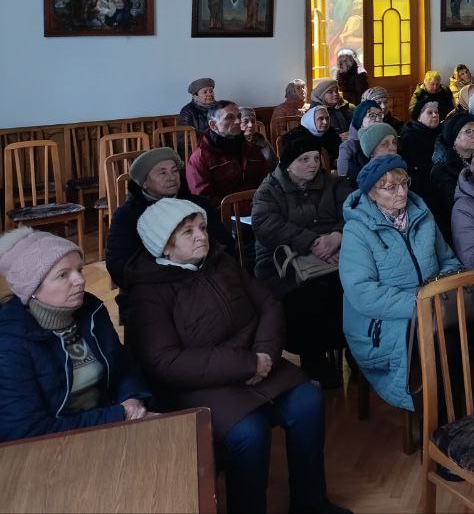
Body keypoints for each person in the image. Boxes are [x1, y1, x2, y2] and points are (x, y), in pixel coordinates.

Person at [122, 199, 346, 514]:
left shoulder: (220, 261)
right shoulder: (148, 292)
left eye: (202, 227)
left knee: (308, 400)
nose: (202, 236)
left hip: (259, 361)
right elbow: (165, 362)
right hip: (201, 385)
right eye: (188, 232)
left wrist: (264, 353)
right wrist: (247, 364)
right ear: (165, 245)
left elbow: (268, 304)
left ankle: (310, 503)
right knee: (249, 433)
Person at [0, 228, 153, 442]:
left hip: (111, 421)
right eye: (63, 275)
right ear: (31, 289)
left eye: (79, 269)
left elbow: (123, 366)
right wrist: (118, 415)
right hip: (58, 444)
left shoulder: (91, 310)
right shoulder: (9, 341)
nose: (80, 280)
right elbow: (25, 430)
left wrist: (132, 398)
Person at [340, 156, 461, 411]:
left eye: (405, 184)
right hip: (382, 322)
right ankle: (441, 421)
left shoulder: (422, 215)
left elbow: (448, 261)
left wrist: (440, 290)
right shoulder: (357, 230)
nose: (402, 192)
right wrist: (420, 304)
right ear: (372, 193)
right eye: (390, 188)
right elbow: (362, 293)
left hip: (433, 305)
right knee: (446, 345)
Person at [251, 131, 350, 386]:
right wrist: (313, 242)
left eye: (316, 158)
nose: (312, 164)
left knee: (352, 288)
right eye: (304, 159)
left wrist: (337, 237)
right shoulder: (269, 190)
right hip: (282, 264)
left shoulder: (332, 183)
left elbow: (353, 211)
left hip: (334, 254)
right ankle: (313, 359)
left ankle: (356, 350)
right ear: (288, 164)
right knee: (305, 299)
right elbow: (266, 224)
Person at [106, 147, 231, 318]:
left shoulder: (198, 205)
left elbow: (224, 243)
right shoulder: (128, 216)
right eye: (162, 173)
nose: (172, 177)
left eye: (174, 171)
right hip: (151, 291)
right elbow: (118, 263)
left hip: (205, 282)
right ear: (144, 182)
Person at [186, 101, 274, 207]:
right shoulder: (200, 157)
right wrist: (244, 207)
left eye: (239, 116)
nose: (238, 121)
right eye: (230, 117)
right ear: (213, 125)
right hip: (224, 213)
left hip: (260, 206)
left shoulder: (251, 148)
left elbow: (266, 180)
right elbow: (204, 199)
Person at [426, 114, 474, 244]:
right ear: (454, 138)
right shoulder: (442, 168)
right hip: (460, 227)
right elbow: (455, 203)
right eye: (468, 131)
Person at [399, 96, 441, 201]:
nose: (435, 115)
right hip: (421, 187)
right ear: (419, 117)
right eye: (430, 113)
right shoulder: (410, 136)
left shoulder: (440, 132)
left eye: (436, 112)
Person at [337, 100, 387, 183]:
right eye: (372, 115)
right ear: (360, 120)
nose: (378, 119)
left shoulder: (387, 142)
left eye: (380, 115)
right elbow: (343, 180)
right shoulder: (348, 147)